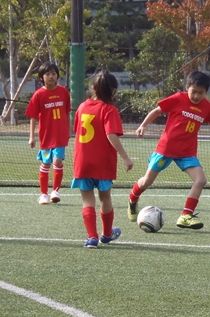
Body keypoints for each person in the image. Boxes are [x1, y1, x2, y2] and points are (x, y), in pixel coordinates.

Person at [127, 71, 210, 230]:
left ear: (206, 92)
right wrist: (142, 126)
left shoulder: (207, 107)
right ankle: (133, 199)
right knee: (147, 181)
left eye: (201, 93)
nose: (196, 96)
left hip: (187, 152)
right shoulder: (177, 98)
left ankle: (186, 215)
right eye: (193, 92)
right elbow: (157, 111)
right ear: (187, 88)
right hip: (166, 148)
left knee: (201, 180)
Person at [70, 71, 133, 247]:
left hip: (82, 161)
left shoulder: (82, 107)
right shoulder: (110, 109)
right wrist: (126, 157)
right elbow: (111, 134)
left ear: (93, 88)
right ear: (113, 91)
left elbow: (77, 130)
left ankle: (92, 237)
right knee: (105, 197)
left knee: (87, 199)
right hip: (103, 162)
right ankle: (106, 234)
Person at [26, 62, 71, 205]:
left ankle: (55, 191)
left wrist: (68, 130)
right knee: (46, 163)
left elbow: (67, 112)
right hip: (46, 136)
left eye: (53, 73)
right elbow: (33, 116)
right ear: (41, 77)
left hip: (60, 135)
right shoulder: (38, 95)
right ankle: (43, 194)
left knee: (57, 161)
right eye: (47, 74)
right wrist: (32, 137)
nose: (51, 77)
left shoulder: (64, 92)